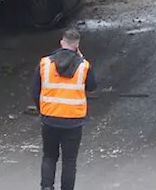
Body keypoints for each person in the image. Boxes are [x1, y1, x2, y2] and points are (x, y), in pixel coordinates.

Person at [32, 28, 97, 190]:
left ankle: (47, 187)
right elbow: (92, 86)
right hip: (73, 121)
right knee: (69, 161)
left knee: (49, 157)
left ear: (62, 42)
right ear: (77, 46)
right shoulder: (83, 66)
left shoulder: (45, 63)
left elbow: (35, 90)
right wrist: (82, 59)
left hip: (50, 118)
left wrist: (43, 110)